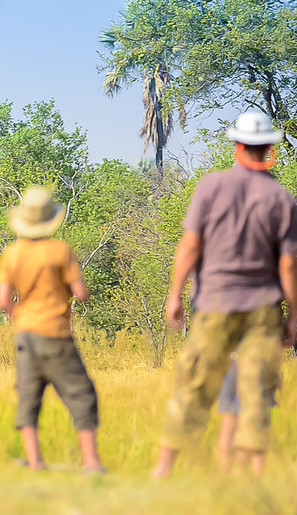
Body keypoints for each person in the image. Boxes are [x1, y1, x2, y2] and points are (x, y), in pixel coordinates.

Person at [153, 111, 297, 478]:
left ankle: (164, 470)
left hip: (214, 303)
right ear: (268, 149)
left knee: (194, 385)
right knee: (256, 394)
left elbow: (189, 246)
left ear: (236, 146)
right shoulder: (282, 199)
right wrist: (294, 315)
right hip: (262, 309)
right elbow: (288, 267)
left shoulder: (211, 187)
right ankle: (249, 478)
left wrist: (174, 296)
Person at [0, 186, 104, 473]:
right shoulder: (60, 251)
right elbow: (80, 293)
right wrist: (80, 291)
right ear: (48, 219)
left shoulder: (11, 254)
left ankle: (35, 462)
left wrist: (20, 314)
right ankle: (91, 461)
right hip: (55, 333)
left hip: (25, 334)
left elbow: (3, 300)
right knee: (81, 394)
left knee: (29, 396)